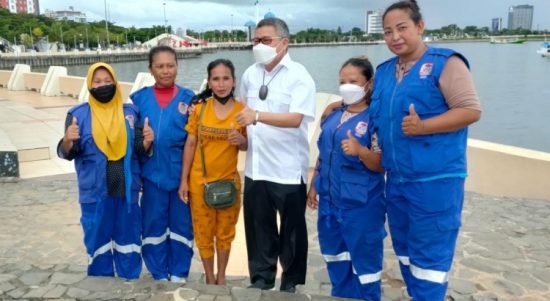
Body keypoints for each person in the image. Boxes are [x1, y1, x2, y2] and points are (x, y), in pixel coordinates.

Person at [371, 1, 482, 300]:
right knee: (406, 254)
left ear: (420, 27)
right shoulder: (384, 72)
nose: (395, 36)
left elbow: (470, 110)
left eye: (402, 28)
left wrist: (424, 127)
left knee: (430, 261)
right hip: (397, 180)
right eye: (388, 31)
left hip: (435, 181)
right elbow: (370, 111)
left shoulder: (446, 62)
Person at [235, 17, 316, 293]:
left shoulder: (299, 75)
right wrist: (242, 139)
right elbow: (242, 114)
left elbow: (296, 119)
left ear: (284, 42)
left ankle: (290, 283)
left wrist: (257, 116)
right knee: (258, 229)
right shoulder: (249, 74)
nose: (259, 45)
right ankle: (261, 279)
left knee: (292, 232)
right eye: (256, 40)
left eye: (266, 40)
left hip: (287, 168)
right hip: (256, 167)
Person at [57, 62, 149, 279]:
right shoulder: (77, 114)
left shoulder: (131, 112)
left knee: (129, 244)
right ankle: (101, 287)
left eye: (108, 81)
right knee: (97, 246)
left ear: (116, 84)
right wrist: (68, 140)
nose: (103, 86)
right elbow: (69, 152)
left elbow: (138, 150)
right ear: (89, 85)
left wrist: (147, 142)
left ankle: (129, 283)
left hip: (126, 193)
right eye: (97, 82)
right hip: (94, 194)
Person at [307, 57, 386, 301]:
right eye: (342, 81)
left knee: (366, 268)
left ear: (369, 83)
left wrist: (361, 151)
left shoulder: (375, 118)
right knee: (335, 259)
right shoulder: (333, 114)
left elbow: (381, 164)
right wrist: (314, 185)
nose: (346, 86)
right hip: (330, 205)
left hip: (361, 206)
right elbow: (323, 152)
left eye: (353, 81)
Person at [178, 59, 247, 285]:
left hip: (229, 184)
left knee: (226, 234)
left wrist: (242, 141)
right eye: (216, 79)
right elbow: (190, 145)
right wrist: (184, 181)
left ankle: (221, 276)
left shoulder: (241, 112)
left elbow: (248, 145)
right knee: (204, 233)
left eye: (226, 78)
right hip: (200, 183)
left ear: (234, 81)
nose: (221, 84)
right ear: (209, 82)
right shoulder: (199, 109)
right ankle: (209, 277)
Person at [130, 45, 195, 283]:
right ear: (151, 69)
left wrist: (187, 179)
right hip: (152, 178)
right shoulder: (138, 100)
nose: (166, 71)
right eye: (160, 66)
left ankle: (179, 273)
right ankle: (158, 273)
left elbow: (194, 142)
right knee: (153, 227)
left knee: (181, 227)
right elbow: (133, 145)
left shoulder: (190, 100)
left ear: (177, 66)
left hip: (181, 178)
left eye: (170, 65)